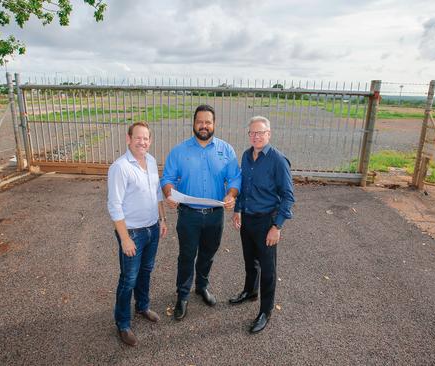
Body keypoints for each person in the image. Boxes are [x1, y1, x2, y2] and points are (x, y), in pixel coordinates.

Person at [161, 104, 241, 320]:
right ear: (193, 124)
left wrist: (231, 194)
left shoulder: (227, 151)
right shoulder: (179, 151)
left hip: (215, 216)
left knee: (208, 254)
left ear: (214, 124)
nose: (203, 126)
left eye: (208, 122)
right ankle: (183, 295)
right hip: (188, 216)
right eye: (200, 122)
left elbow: (235, 179)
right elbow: (167, 178)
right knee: (186, 256)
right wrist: (169, 193)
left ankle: (201, 286)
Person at [230, 115, 295, 334]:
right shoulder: (247, 156)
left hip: (267, 221)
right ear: (249, 135)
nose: (256, 136)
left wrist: (277, 227)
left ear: (269, 134)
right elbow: (244, 187)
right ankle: (250, 291)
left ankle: (266, 311)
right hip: (247, 218)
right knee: (250, 260)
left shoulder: (278, 160)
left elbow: (288, 196)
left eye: (260, 132)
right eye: (252, 133)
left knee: (268, 269)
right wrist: (238, 210)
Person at [107, 121, 168, 347]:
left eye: (146, 138)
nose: (142, 142)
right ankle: (122, 323)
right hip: (132, 233)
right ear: (128, 139)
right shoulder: (120, 167)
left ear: (150, 141)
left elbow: (157, 193)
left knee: (146, 271)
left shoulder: (151, 161)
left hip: (152, 229)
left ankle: (142, 307)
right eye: (138, 138)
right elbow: (114, 206)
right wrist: (124, 238)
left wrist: (162, 219)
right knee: (128, 279)